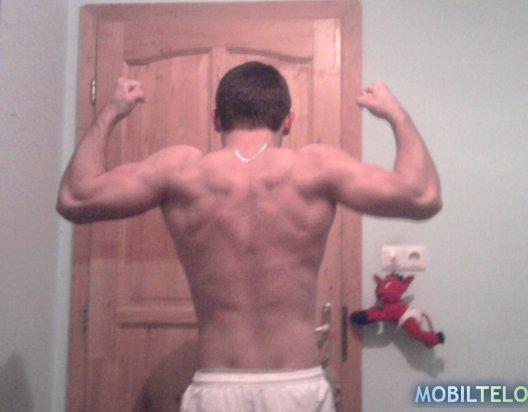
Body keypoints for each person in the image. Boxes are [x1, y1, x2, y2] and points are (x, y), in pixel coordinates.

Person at [57, 61, 442, 412]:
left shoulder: (180, 170)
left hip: (216, 391)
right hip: (298, 387)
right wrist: (395, 113)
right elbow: (423, 195)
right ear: (288, 121)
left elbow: (75, 197)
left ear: (216, 119)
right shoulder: (315, 167)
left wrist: (112, 111)